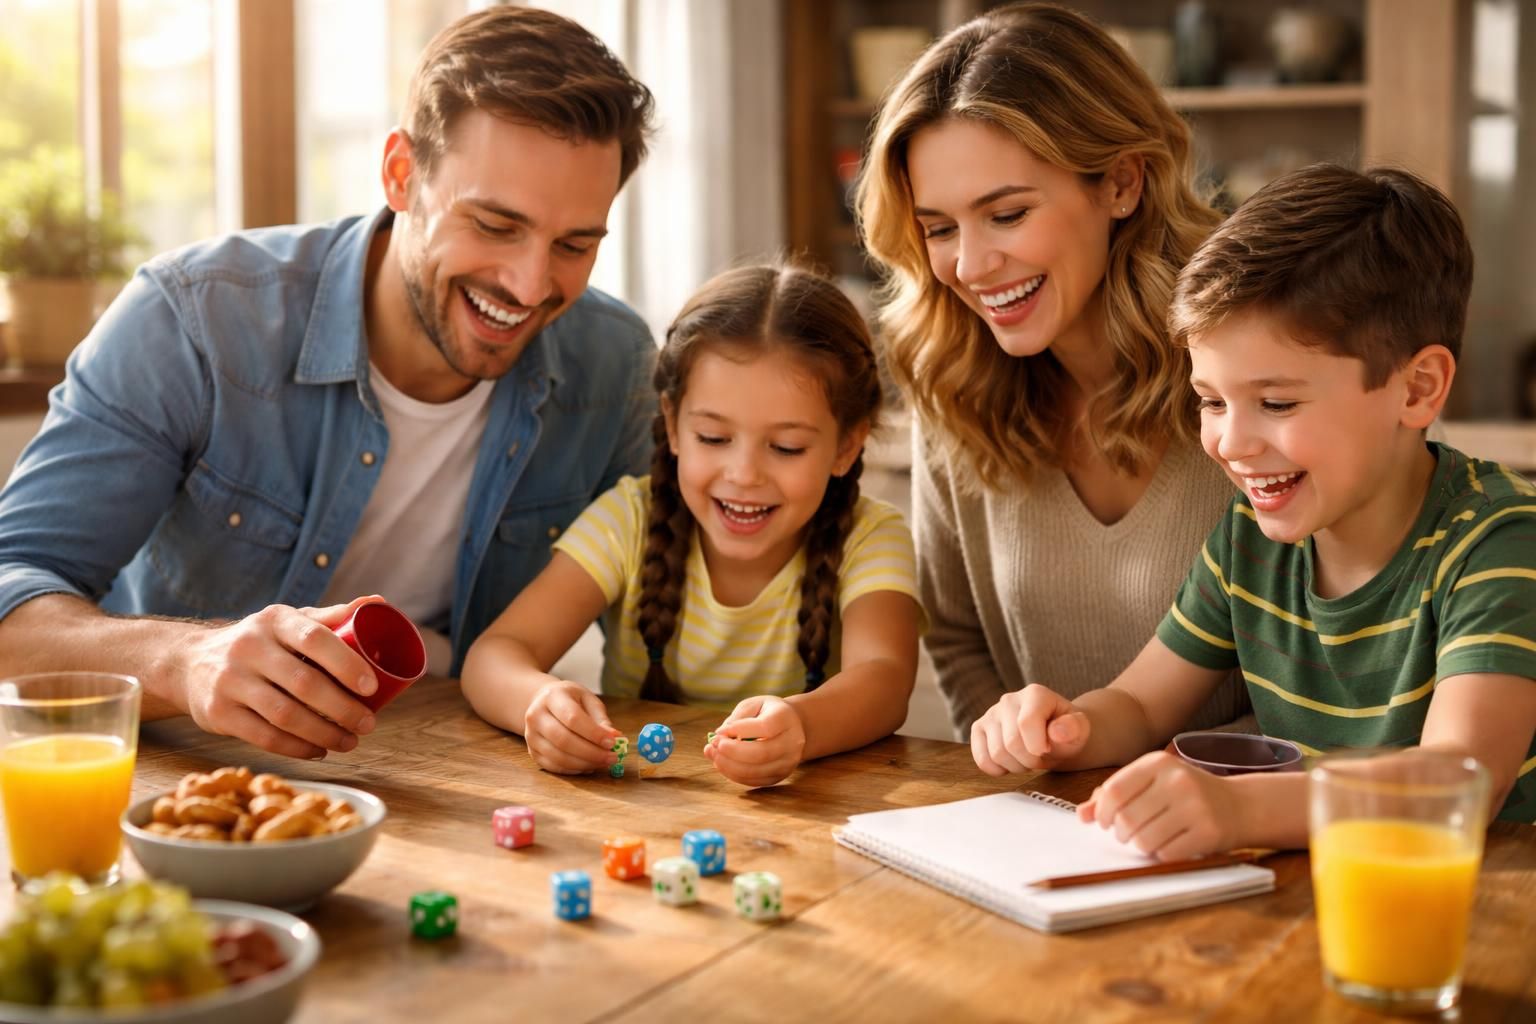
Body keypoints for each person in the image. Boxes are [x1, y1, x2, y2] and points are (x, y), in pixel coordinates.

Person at [0, 7, 658, 761]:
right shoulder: (195, 320)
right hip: (181, 789)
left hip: (457, 789)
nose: (530, 283)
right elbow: (10, 597)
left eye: (574, 244)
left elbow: (678, 609)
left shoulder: (612, 364)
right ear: (402, 176)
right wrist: (185, 662)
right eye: (496, 226)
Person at [971, 163, 1536, 856]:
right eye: (1210, 401)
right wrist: (1066, 727)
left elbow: (1460, 783)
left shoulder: (1498, 544)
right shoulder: (1250, 542)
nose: (1230, 443)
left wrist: (1240, 810)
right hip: (1316, 898)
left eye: (1277, 403)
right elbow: (1142, 704)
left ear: (1417, 389)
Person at [854, 2, 1249, 737]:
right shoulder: (952, 380)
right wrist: (1030, 767)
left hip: (1264, 818)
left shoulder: (1263, 367)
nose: (970, 267)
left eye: (1006, 215)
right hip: (1048, 823)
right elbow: (957, 635)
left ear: (1122, 183)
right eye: (939, 229)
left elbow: (1353, 668)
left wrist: (1190, 789)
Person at [461, 263, 923, 787]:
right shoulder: (628, 521)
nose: (744, 474)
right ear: (673, 424)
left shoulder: (869, 537)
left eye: (786, 447)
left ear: (847, 445)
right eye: (712, 438)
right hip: (639, 811)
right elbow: (494, 655)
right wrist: (539, 703)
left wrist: (802, 726)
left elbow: (885, 681)